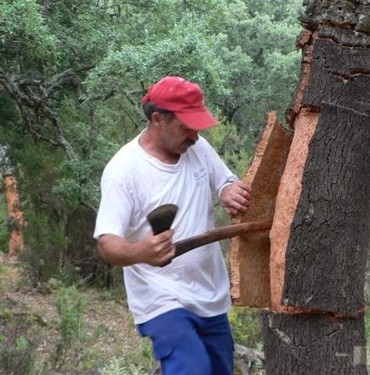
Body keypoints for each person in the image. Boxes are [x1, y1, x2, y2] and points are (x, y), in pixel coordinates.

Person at [93, 76, 252, 375]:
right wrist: (140, 252)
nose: (194, 136)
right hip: (161, 298)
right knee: (192, 368)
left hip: (211, 295)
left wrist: (228, 189)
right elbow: (107, 243)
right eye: (186, 126)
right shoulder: (123, 170)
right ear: (157, 119)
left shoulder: (198, 148)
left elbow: (225, 180)